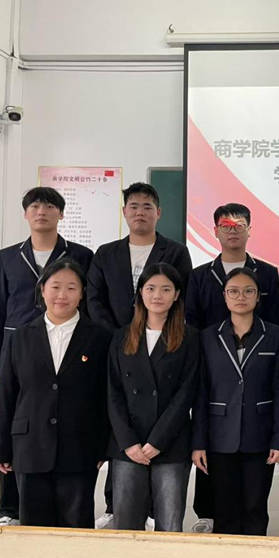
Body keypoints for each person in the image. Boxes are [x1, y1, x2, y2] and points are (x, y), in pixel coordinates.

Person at [87, 182, 193, 529]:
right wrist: (123, 334)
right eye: (133, 206)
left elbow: (186, 295)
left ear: (158, 212)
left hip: (164, 344)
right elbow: (94, 299)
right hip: (120, 343)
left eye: (147, 206)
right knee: (118, 417)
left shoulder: (176, 252)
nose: (140, 212)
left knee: (168, 517)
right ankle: (113, 506)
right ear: (124, 212)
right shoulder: (106, 253)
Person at [0, 187, 94, 526]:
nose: (41, 211)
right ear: (25, 213)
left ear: (61, 213)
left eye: (49, 206)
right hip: (21, 347)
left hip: (69, 343)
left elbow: (90, 306)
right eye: (34, 205)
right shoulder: (8, 256)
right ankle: (9, 509)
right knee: (22, 418)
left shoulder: (80, 254)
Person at [0, 259, 111, 529]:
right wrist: (1, 447)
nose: (62, 295)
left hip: (80, 447)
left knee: (76, 528)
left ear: (82, 293)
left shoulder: (100, 338)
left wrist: (104, 446)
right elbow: (7, 395)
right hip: (29, 446)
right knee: (34, 530)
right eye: (55, 287)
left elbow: (105, 398)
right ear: (42, 289)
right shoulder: (20, 337)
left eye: (71, 288)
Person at [185, 203, 279, 533]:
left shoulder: (267, 273)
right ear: (215, 231)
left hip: (256, 385)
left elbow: (272, 320)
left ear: (249, 230)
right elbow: (192, 323)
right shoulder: (200, 275)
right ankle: (207, 517)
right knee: (220, 494)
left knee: (255, 503)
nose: (232, 231)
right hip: (216, 382)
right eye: (225, 225)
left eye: (239, 225)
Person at [107, 263, 200, 532]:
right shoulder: (122, 336)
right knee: (125, 523)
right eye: (150, 288)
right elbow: (113, 393)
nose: (157, 295)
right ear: (140, 292)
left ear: (177, 294)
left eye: (166, 289)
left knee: (169, 525)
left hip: (171, 443)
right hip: (129, 445)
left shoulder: (190, 337)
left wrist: (158, 440)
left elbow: (186, 393)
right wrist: (128, 442)